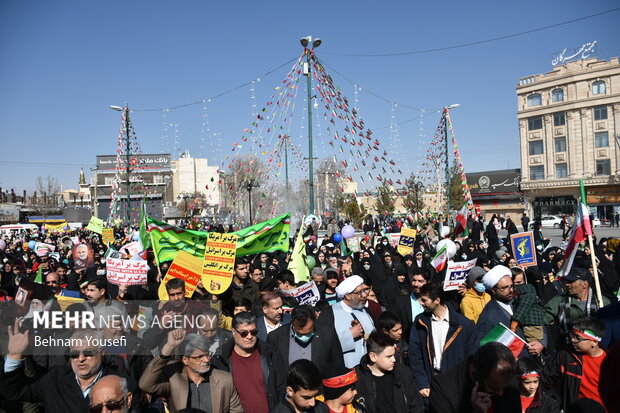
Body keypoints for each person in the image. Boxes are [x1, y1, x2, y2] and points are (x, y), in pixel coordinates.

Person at [0, 327, 130, 413]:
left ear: (102, 353)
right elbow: (14, 392)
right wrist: (15, 356)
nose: (80, 359)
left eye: (88, 353)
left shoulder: (117, 379)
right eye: (74, 354)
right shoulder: (55, 378)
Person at [139, 329, 243, 412]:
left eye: (207, 355)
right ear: (185, 360)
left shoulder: (225, 380)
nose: (206, 360)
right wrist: (169, 347)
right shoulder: (174, 380)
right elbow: (145, 384)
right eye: (199, 357)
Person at [409, 283, 476, 402]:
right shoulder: (420, 322)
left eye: (424, 300)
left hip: (456, 385)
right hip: (431, 382)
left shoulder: (463, 324)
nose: (421, 303)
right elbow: (415, 355)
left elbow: (471, 357)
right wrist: (422, 383)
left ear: (437, 300)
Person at [215, 311, 287, 412]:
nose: (249, 337)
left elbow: (281, 389)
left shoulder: (270, 354)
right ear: (233, 332)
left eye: (254, 332)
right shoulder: (221, 359)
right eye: (244, 333)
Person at [429, 342, 520, 413]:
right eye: (493, 388)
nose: (500, 393)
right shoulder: (443, 388)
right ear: (475, 374)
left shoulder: (509, 381)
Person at [476, 266, 544, 357]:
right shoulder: (488, 316)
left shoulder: (522, 300)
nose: (511, 290)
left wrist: (542, 343)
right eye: (504, 288)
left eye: (511, 286)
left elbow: (541, 321)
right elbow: (487, 349)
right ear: (493, 290)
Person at [542, 317, 607, 411]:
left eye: (578, 338)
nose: (572, 340)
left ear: (594, 342)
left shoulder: (610, 361)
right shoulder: (565, 356)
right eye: (572, 335)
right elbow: (544, 380)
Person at [354, 331, 424, 413]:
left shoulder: (403, 372)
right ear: (373, 357)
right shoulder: (357, 377)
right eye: (389, 356)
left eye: (394, 355)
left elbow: (416, 406)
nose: (394, 359)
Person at [544, 268, 609, 349]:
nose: (567, 284)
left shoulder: (601, 302)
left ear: (585, 284)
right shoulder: (559, 301)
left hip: (596, 350)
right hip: (568, 349)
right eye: (567, 281)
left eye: (572, 281)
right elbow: (543, 319)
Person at [320, 275, 375, 368]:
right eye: (359, 293)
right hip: (343, 371)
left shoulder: (366, 311)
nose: (364, 295)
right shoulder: (329, 314)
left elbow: (373, 335)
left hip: (367, 370)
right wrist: (349, 335)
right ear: (348, 296)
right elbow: (323, 345)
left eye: (364, 291)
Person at [268, 304, 344, 371]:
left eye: (308, 332)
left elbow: (338, 364)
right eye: (299, 333)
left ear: (314, 321)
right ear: (292, 322)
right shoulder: (275, 337)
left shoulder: (328, 333)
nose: (304, 337)